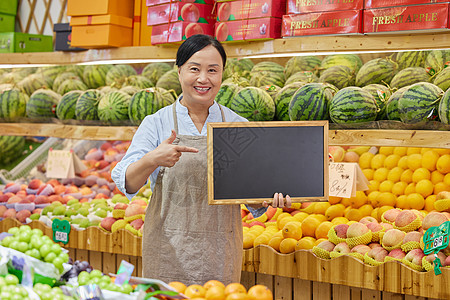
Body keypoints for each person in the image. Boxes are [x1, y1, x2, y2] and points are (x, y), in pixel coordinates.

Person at [112, 34, 291, 285]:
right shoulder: (156, 123)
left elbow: (251, 196)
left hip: (220, 249)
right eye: (194, 69)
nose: (203, 79)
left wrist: (271, 196)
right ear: (179, 71)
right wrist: (153, 158)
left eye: (213, 70)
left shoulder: (238, 126)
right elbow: (128, 183)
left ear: (222, 75)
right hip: (166, 248)